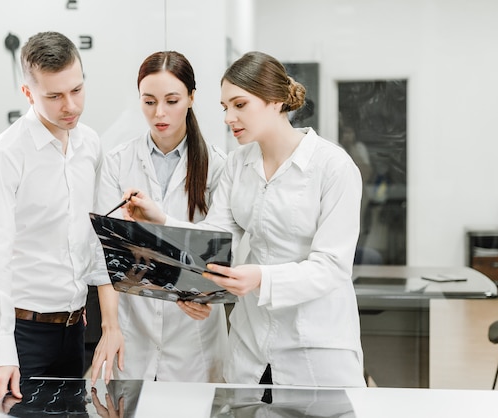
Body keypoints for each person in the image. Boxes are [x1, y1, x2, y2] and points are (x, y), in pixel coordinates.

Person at [122, 51, 366, 387]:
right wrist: (162, 221)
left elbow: (332, 267)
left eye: (239, 105)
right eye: (225, 107)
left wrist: (261, 279)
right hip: (250, 345)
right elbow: (216, 238)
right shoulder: (238, 164)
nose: (228, 117)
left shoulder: (333, 167)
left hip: (316, 344)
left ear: (276, 101)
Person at [0, 31, 120, 417]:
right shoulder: (4, 156)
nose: (70, 105)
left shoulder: (90, 144)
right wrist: (1, 350)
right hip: (19, 336)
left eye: (76, 90)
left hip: (73, 332)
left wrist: (109, 323)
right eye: (54, 96)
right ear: (28, 93)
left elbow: (95, 240)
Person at [89, 51, 228, 384]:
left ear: (191, 98)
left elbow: (220, 245)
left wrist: (204, 298)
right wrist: (109, 327)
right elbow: (102, 251)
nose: (159, 113)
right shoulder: (117, 162)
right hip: (132, 328)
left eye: (172, 100)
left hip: (193, 333)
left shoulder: (219, 165)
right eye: (149, 101)